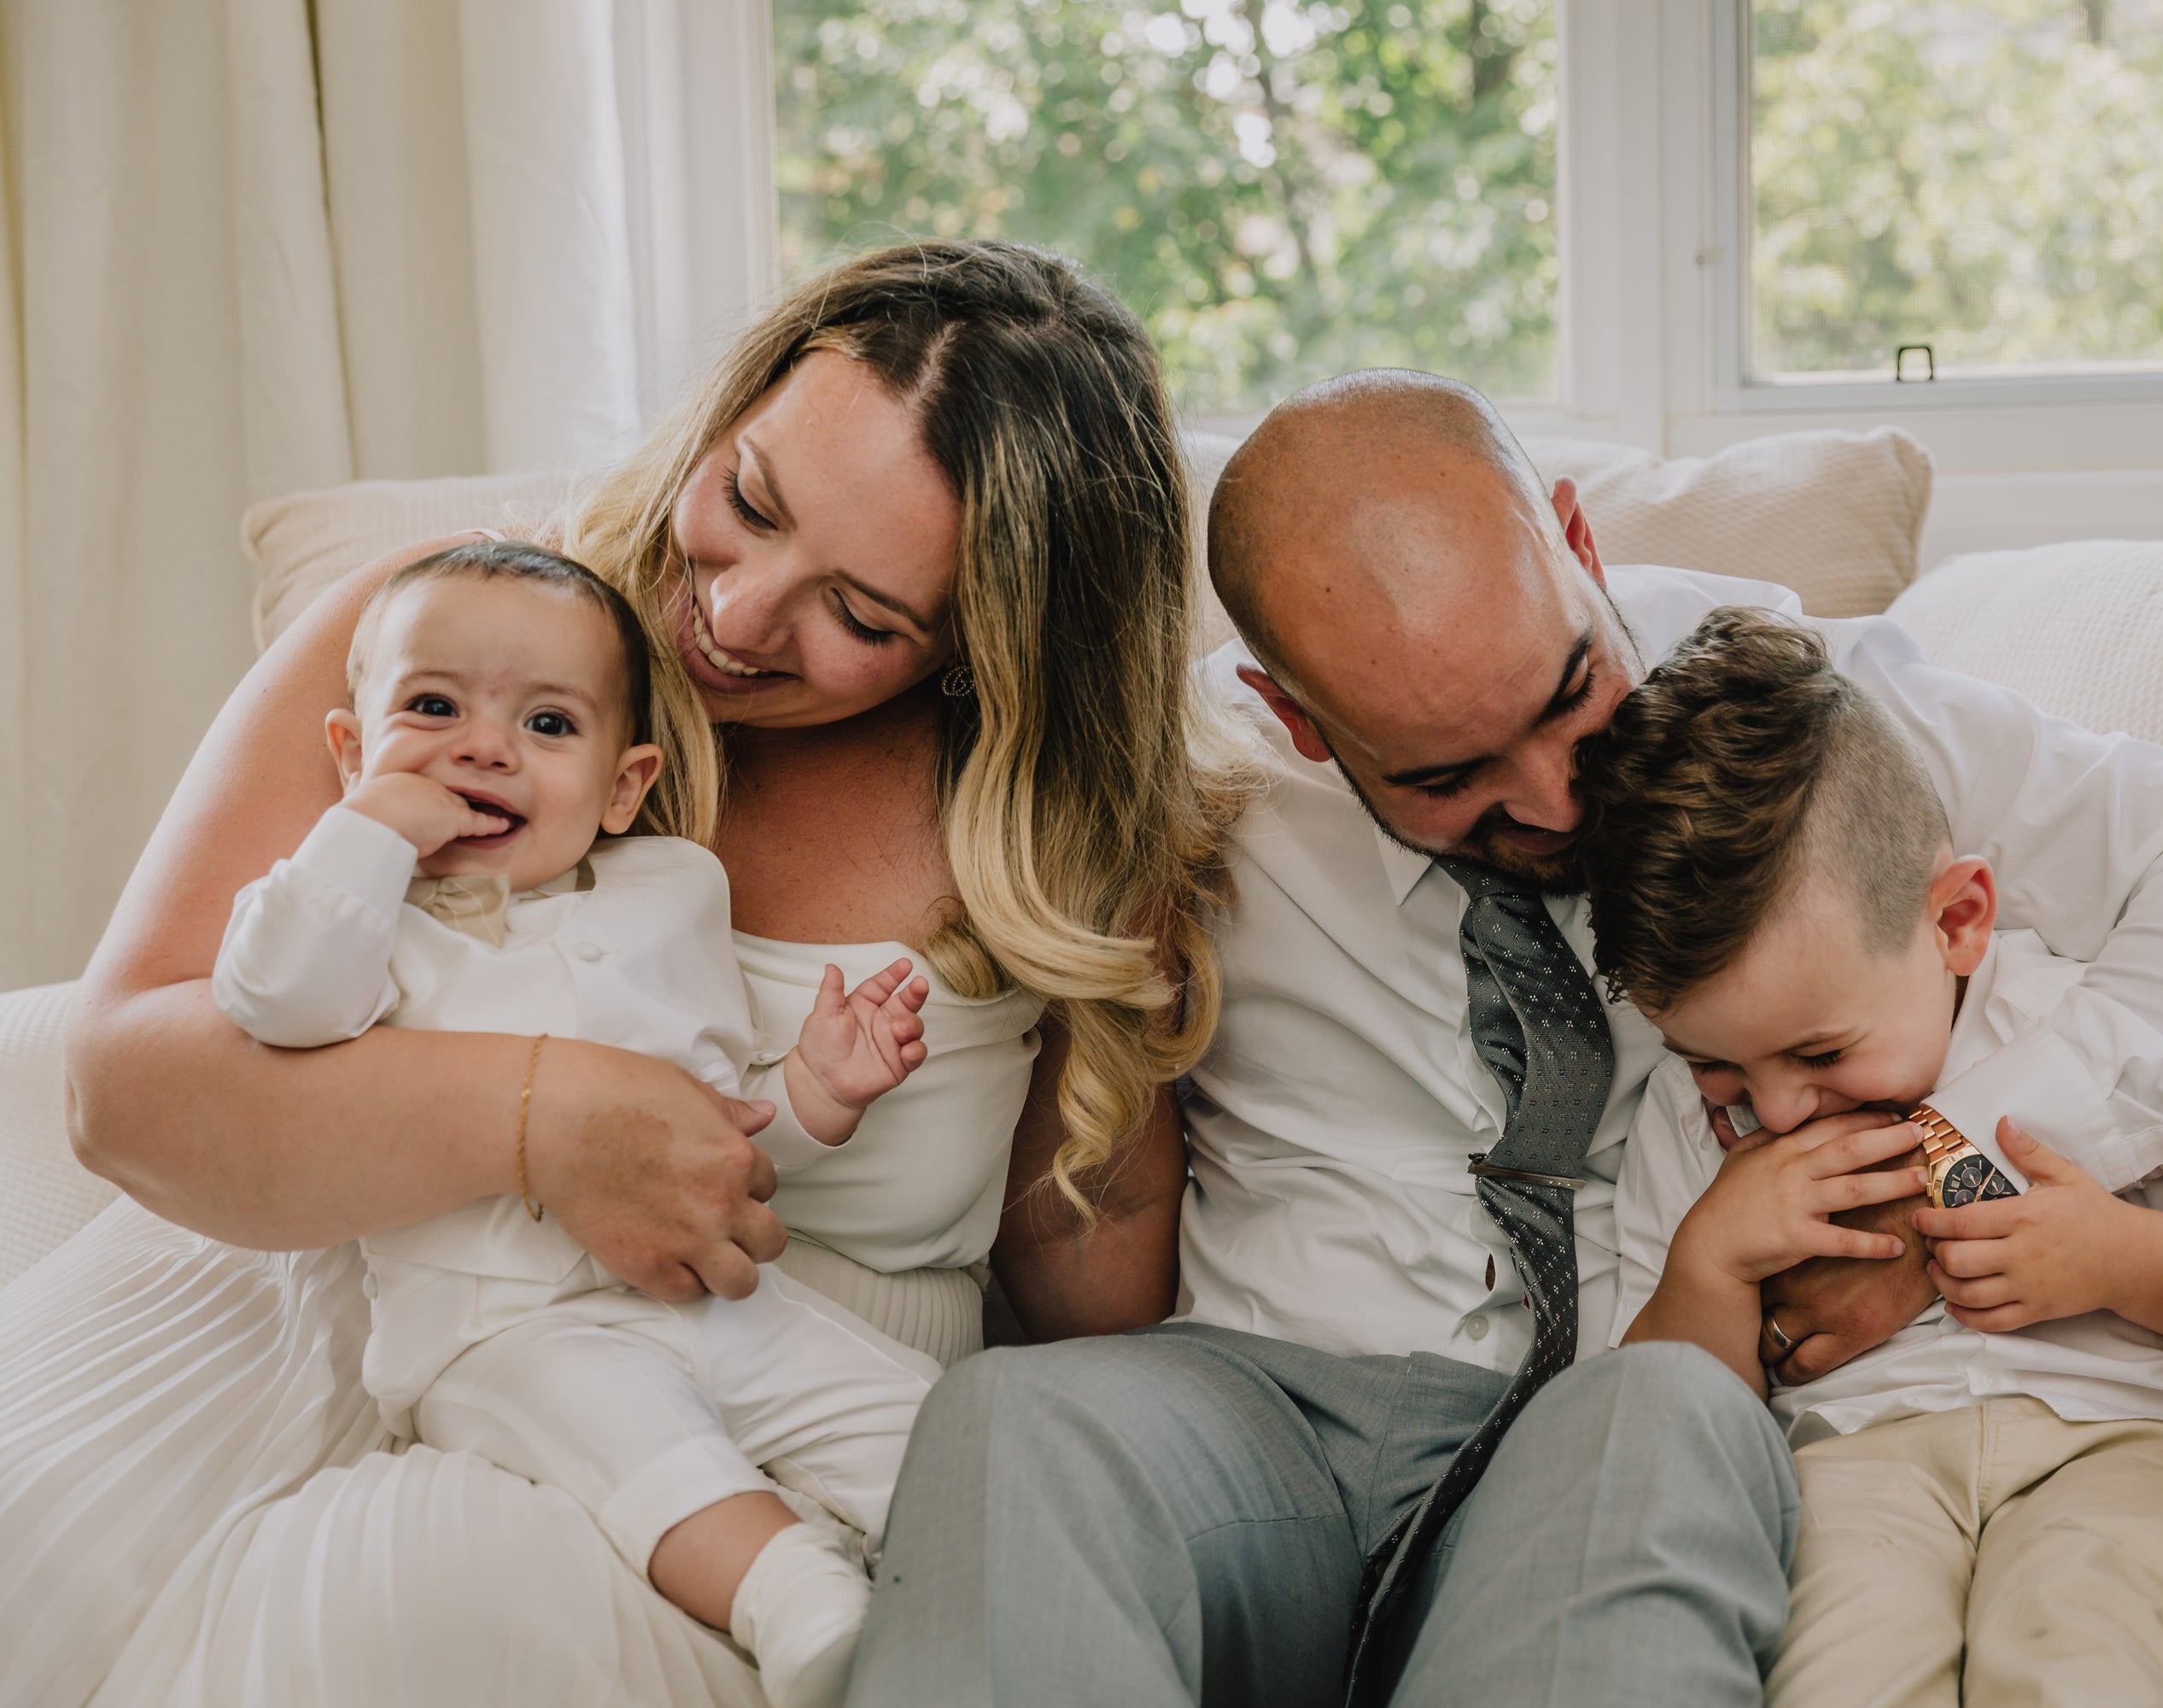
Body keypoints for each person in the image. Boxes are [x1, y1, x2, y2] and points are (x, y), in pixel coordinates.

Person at [845, 369, 2163, 1708]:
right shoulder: (1191, 778)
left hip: (1619, 1424)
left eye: (1566, 696)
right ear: (1304, 720)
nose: (1553, 802)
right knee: (1016, 1423)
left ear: (1580, 547)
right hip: (1283, 1408)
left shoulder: (1794, 720)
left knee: (1659, 1417)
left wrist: (1932, 1182)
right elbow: (1074, 1230)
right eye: (1446, 776)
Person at [0, 241, 1248, 1707]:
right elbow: (121, 1089)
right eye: (750, 501)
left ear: (988, 641)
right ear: (728, 411)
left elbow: (1095, 1286)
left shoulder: (1049, 842)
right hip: (298, 1322)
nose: (739, 612)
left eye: (862, 615)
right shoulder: (450, 638)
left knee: (455, 1609)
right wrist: (550, 1115)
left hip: (774, 1396)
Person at [213, 539, 962, 1706]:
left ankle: (1004, 1586)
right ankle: (794, 1593)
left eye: (549, 724)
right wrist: (368, 829)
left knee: (916, 1420)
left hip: (711, 1290)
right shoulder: (357, 919)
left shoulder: (672, 895)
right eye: (432, 708)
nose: (483, 747)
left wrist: (816, 1092)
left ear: (624, 785)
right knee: (647, 1449)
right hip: (501, 1332)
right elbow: (277, 1001)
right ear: (352, 750)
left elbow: (718, 1145)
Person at [1585, 607, 2163, 1706]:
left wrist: (2121, 1258)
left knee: (2095, 1662)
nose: (1777, 1107)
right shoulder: (1678, 1126)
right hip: (1845, 1467)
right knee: (1841, 1673)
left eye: (1820, 1051)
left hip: (2110, 1445)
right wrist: (1708, 1266)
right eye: (1717, 1065)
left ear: (1957, 922)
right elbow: (1660, 1422)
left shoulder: (2077, 1024)